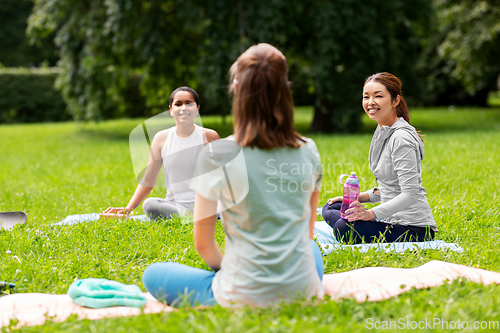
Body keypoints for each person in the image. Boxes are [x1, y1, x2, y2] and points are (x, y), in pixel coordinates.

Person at [142, 43, 324, 307]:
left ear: (237, 89)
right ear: (285, 90)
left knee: (153, 274)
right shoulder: (309, 150)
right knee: (312, 250)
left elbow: (204, 244)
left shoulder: (218, 153)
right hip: (302, 290)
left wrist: (234, 274)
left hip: (241, 292)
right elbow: (305, 234)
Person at [322, 72, 437, 244]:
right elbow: (388, 189)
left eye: (378, 96)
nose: (370, 102)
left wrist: (370, 214)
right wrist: (355, 198)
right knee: (331, 207)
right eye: (366, 97)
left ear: (395, 100)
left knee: (343, 228)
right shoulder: (382, 130)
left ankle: (361, 223)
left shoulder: (401, 138)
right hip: (388, 218)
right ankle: (358, 219)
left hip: (414, 228)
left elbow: (411, 194)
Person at [111, 86, 220, 220]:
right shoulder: (161, 139)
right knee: (150, 204)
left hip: (207, 206)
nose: (183, 108)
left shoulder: (209, 136)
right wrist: (128, 208)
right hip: (176, 207)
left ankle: (197, 216)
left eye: (189, 103)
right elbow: (148, 180)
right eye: (178, 104)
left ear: (197, 109)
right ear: (171, 110)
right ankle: (187, 217)